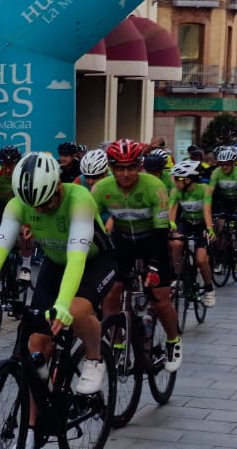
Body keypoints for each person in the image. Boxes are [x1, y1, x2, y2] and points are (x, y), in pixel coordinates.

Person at [0, 152, 112, 393]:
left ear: (57, 187)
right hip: (55, 262)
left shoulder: (79, 198)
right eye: (34, 205)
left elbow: (76, 257)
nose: (39, 210)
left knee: (77, 309)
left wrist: (62, 304)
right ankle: (35, 425)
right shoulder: (18, 204)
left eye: (45, 203)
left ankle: (95, 358)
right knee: (35, 347)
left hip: (94, 261)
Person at [91, 139, 182, 371]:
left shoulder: (154, 186)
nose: (126, 173)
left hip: (153, 239)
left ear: (140, 166)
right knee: (110, 293)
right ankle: (118, 343)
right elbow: (88, 223)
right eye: (119, 168)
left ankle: (173, 340)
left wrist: (153, 266)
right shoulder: (101, 189)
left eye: (132, 167)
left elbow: (161, 231)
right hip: (122, 241)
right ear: (111, 168)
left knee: (160, 297)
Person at [168, 160, 216, 307]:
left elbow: (207, 210)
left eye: (177, 178)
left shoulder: (204, 189)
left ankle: (209, 289)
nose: (174, 181)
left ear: (188, 179)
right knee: (175, 242)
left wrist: (209, 229)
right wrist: (171, 224)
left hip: (201, 224)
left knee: (201, 260)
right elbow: (172, 209)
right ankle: (180, 276)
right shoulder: (176, 191)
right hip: (186, 223)